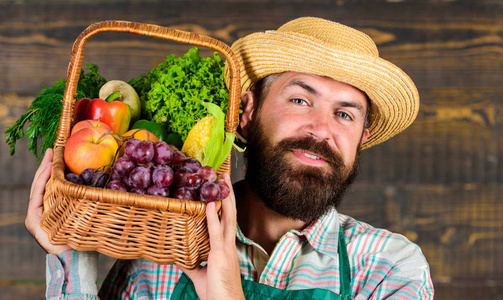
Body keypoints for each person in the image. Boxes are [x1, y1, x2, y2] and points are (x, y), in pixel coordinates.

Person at [26, 17, 434, 299]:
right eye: (299, 99)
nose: (320, 128)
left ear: (361, 139)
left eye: (344, 113)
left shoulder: (387, 270)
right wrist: (70, 253)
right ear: (247, 113)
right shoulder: (164, 250)